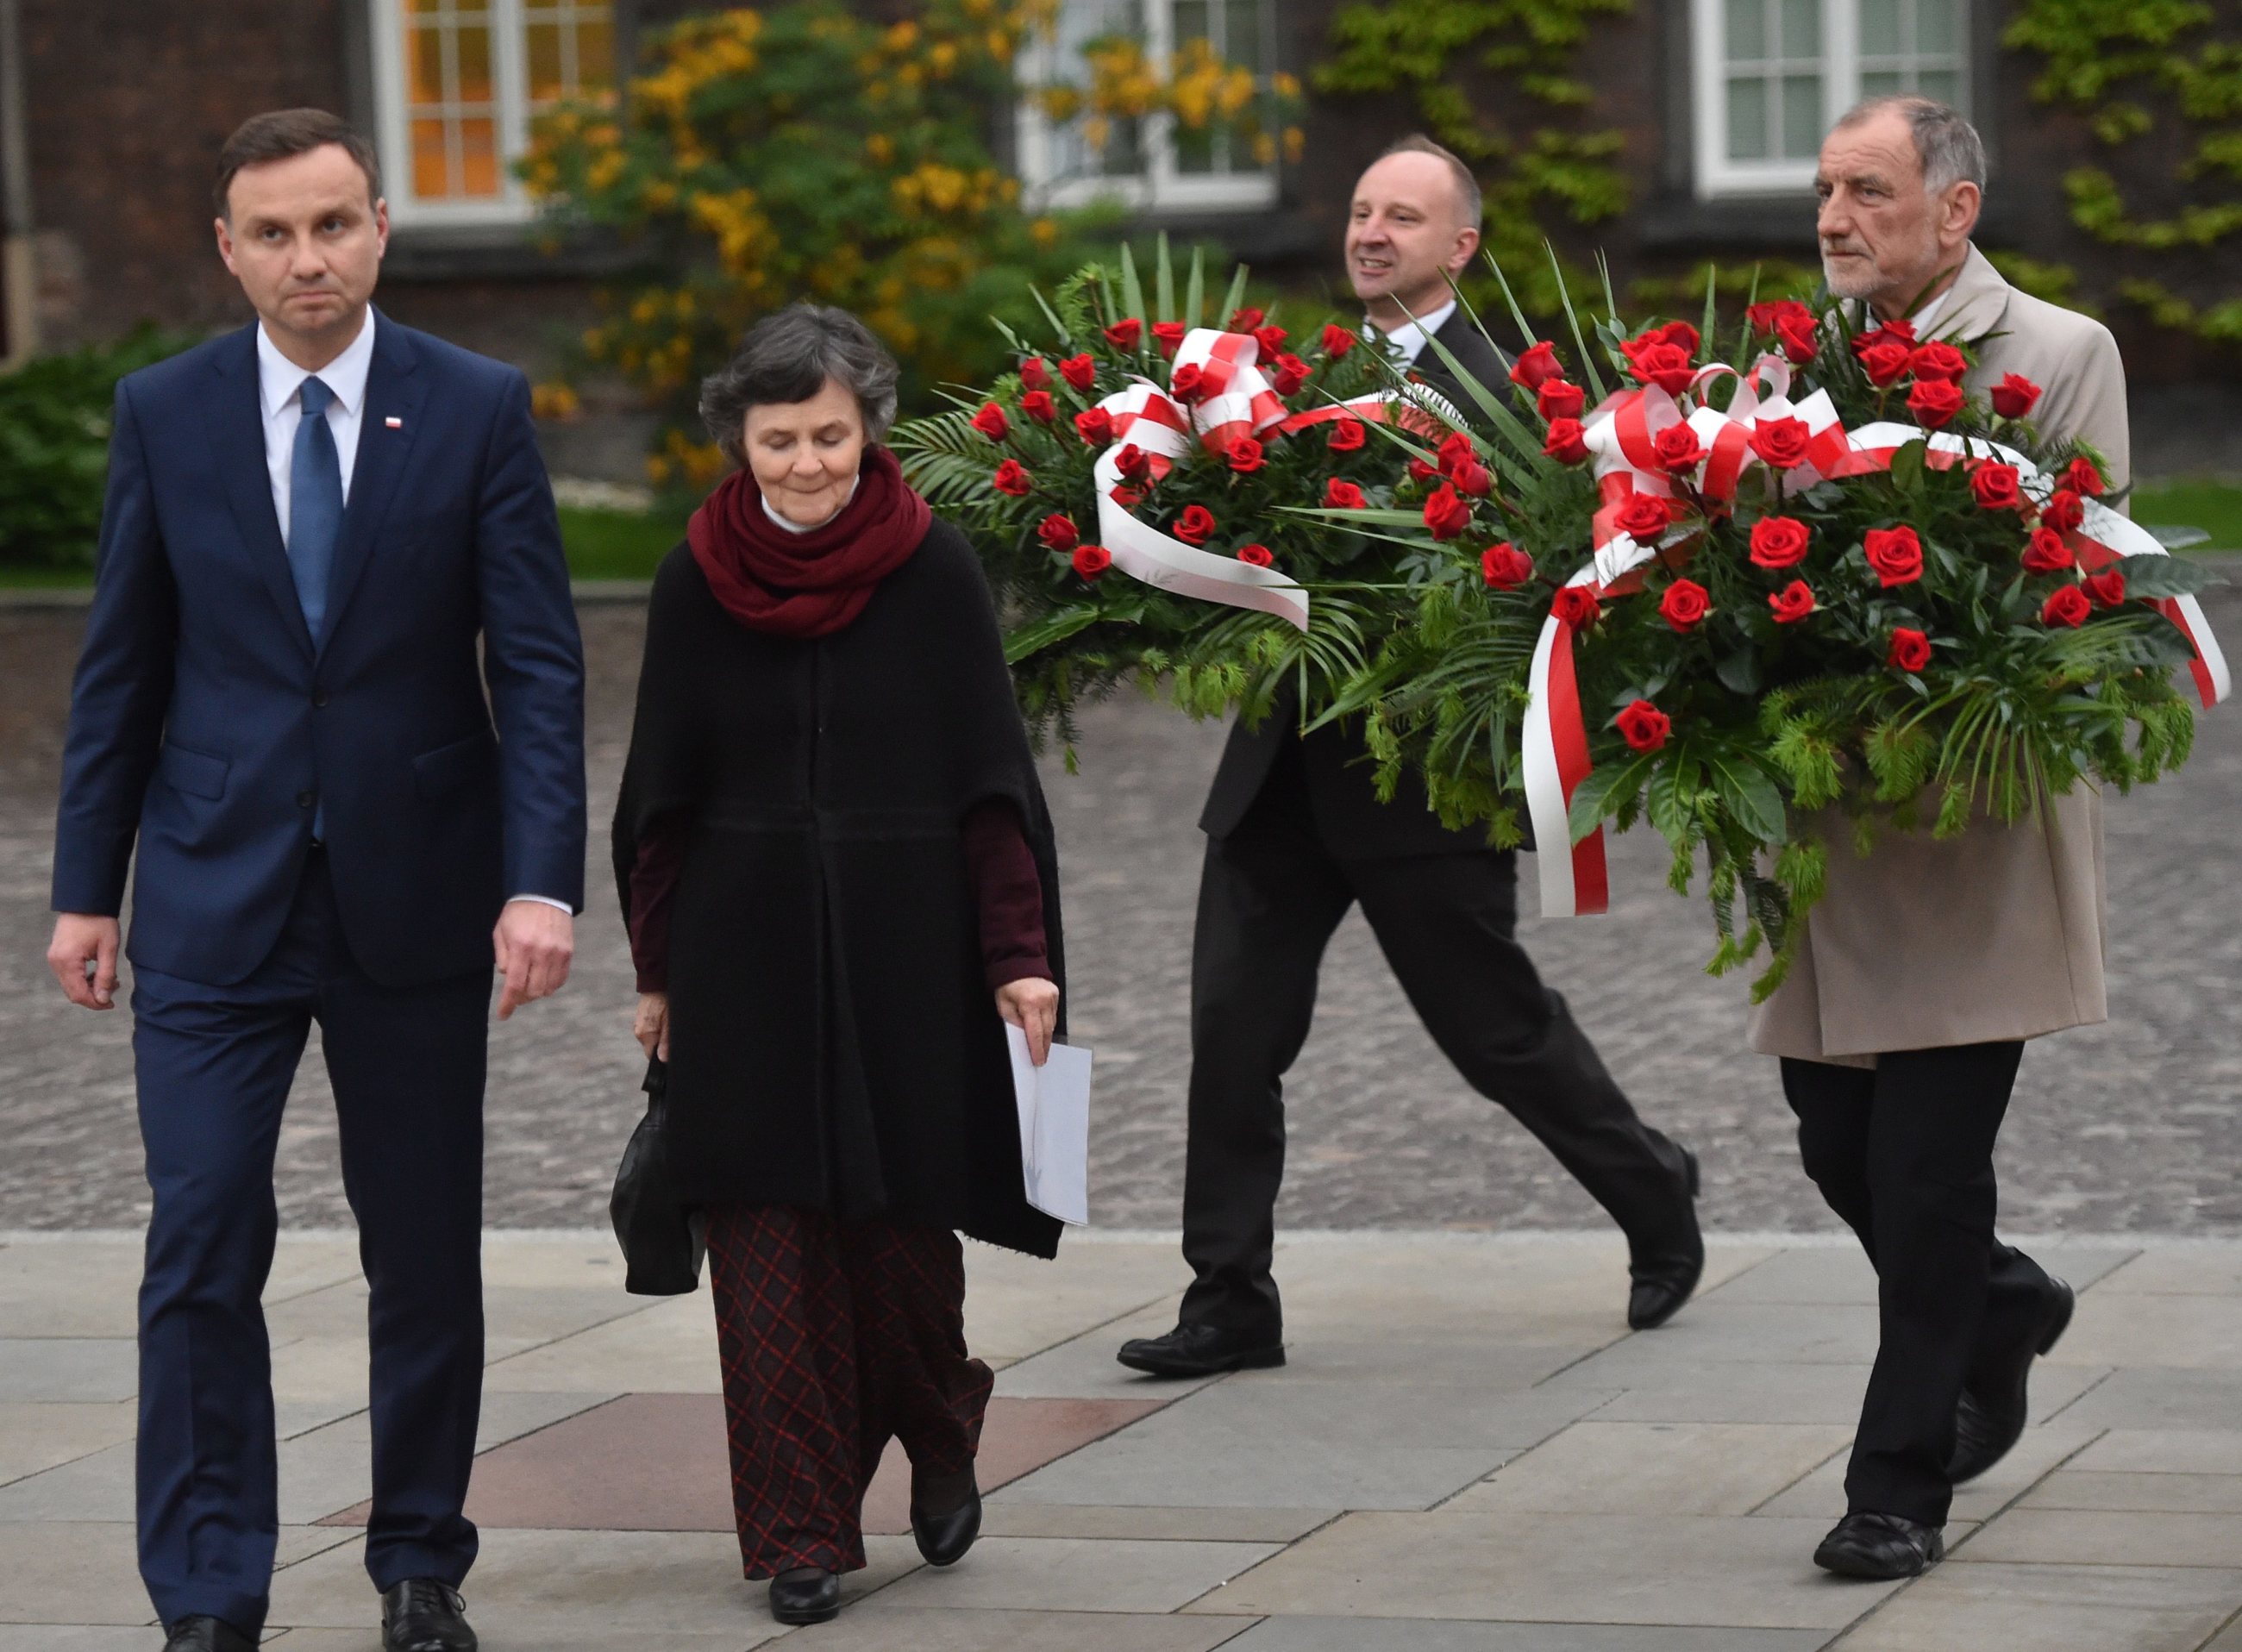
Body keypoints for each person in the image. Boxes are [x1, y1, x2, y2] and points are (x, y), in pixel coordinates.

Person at [43, 110, 586, 1652]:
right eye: (273, 233)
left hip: (418, 889)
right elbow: (119, 668)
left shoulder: (474, 405)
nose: (307, 259)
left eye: (333, 225)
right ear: (227, 247)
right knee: (202, 1234)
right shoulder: (166, 410)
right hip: (213, 895)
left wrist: (540, 882)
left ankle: (420, 1560)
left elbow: (538, 669)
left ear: (381, 228)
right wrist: (91, 889)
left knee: (422, 1246)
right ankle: (210, 1590)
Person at [1117, 134, 1703, 1380]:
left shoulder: (1505, 395)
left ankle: (1655, 1192)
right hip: (1280, 768)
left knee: (1492, 1033)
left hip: (1419, 777)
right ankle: (1230, 1296)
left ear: (1460, 248)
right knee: (1231, 1029)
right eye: (1362, 208)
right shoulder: (1290, 378)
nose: (1371, 231)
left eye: (1404, 216)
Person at [613, 303, 1066, 1629]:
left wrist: (1020, 958)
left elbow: (992, 786)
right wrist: (656, 972)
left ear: (869, 429)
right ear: (736, 442)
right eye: (778, 439)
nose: (806, 463)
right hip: (739, 954)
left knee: (901, 1257)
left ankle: (939, 1418)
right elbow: (661, 799)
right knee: (763, 1258)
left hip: (908, 953)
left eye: (829, 434)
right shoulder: (694, 576)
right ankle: (801, 1532)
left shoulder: (936, 571)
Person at [1761, 96, 2113, 1582]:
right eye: (1827, 192)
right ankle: (2009, 1303)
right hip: (1833, 831)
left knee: (1923, 1170)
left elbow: (2090, 590)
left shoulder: (2058, 353)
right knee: (1835, 1140)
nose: (1835, 217)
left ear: (1954, 210)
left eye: (1869, 189)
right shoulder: (1791, 361)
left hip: (1971, 827)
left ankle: (1895, 1484)